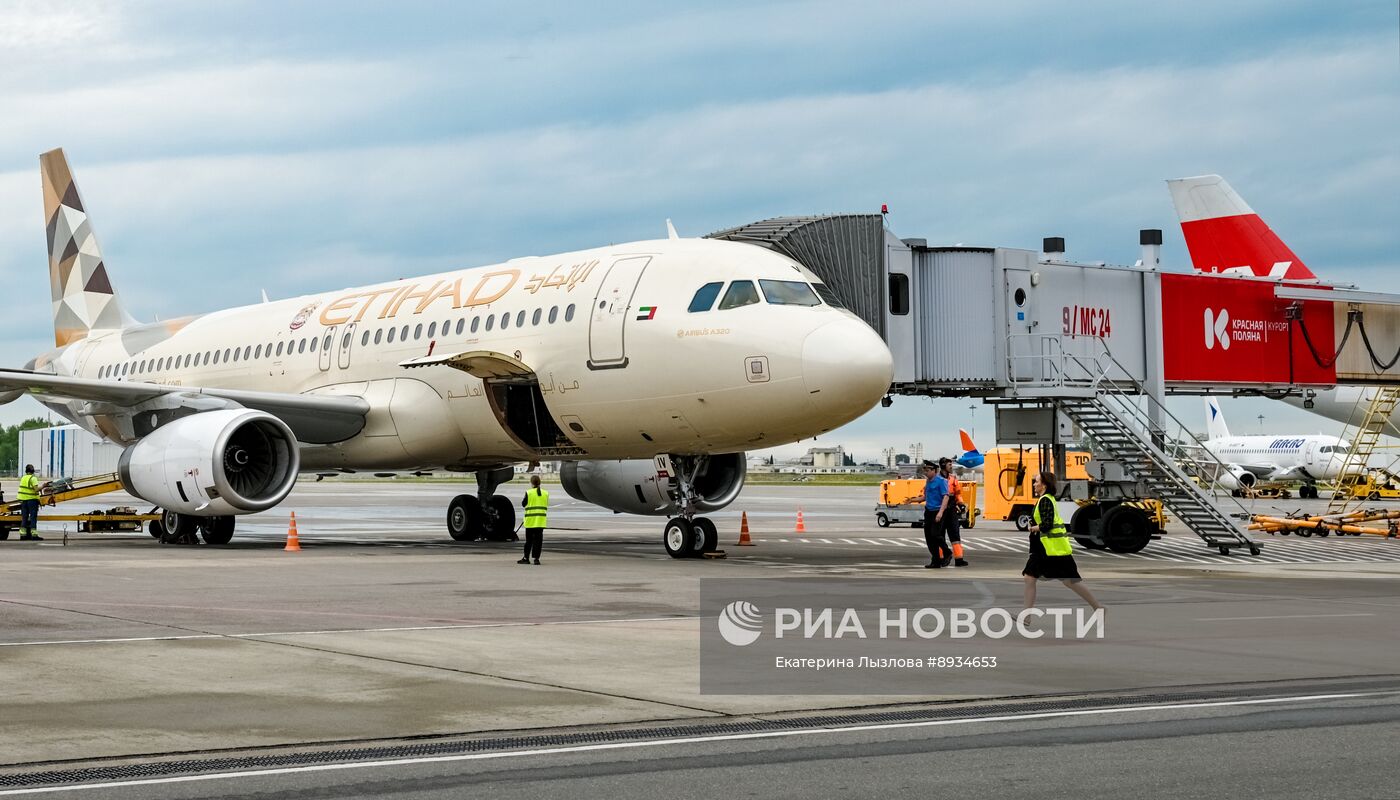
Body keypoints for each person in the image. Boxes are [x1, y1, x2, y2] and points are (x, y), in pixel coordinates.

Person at [1024, 471, 1102, 610]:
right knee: (1032, 578)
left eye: (1036, 481)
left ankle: (1098, 607)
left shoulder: (1045, 500)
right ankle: (1026, 616)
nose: (1034, 484)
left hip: (1049, 548)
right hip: (1047, 548)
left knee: (1069, 581)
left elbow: (1047, 525)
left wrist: (1033, 528)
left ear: (1044, 485)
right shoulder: (1046, 499)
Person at [916, 460, 950, 568]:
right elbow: (925, 497)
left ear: (934, 471)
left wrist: (940, 512)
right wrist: (912, 500)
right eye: (925, 470)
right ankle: (936, 560)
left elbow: (946, 497)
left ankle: (947, 552)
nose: (925, 472)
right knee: (929, 537)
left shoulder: (941, 481)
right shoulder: (928, 482)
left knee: (935, 535)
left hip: (937, 511)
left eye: (928, 470)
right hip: (928, 511)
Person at [941, 458, 968, 567]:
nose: (951, 467)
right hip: (940, 508)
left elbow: (958, 493)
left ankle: (959, 559)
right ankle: (940, 558)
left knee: (955, 534)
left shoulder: (953, 478)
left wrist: (961, 503)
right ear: (943, 465)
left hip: (952, 509)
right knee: (940, 535)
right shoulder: (937, 479)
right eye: (949, 465)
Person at [519, 474, 548, 565]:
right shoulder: (545, 493)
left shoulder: (529, 492)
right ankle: (536, 559)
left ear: (531, 483)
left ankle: (526, 558)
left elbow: (523, 504)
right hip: (540, 521)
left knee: (529, 541)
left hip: (530, 521)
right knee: (538, 542)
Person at [17, 464, 44, 541]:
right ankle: (34, 535)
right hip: (32, 500)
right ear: (33, 471)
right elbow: (36, 489)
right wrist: (43, 486)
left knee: (24, 518)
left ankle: (23, 535)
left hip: (23, 500)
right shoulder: (33, 478)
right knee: (33, 517)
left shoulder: (23, 478)